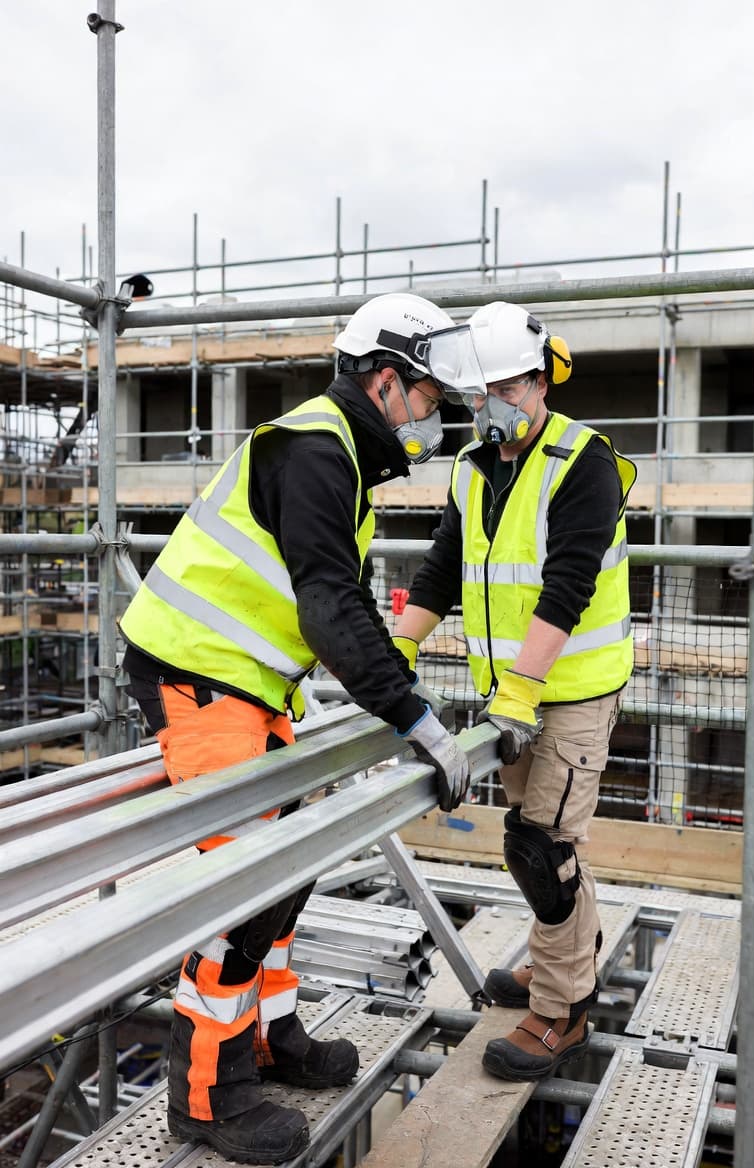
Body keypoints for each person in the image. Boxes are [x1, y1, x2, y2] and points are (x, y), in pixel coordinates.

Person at [118, 291, 485, 1164]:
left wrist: (394, 691)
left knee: (288, 870)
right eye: (432, 400)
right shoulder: (319, 451)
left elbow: (340, 603)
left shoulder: (338, 456)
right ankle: (207, 1095)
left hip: (244, 682)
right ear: (388, 383)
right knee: (243, 893)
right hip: (197, 675)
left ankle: (270, 1037)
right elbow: (329, 608)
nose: (436, 421)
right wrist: (416, 720)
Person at [393, 300, 636, 1082]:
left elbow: (566, 588)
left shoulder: (584, 461)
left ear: (538, 381)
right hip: (513, 695)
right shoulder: (472, 469)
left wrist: (524, 689)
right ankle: (565, 960)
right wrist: (398, 646)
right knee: (544, 845)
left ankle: (562, 1012)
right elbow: (440, 570)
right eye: (475, 395)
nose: (486, 408)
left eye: (501, 390)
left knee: (543, 849)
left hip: (568, 691)